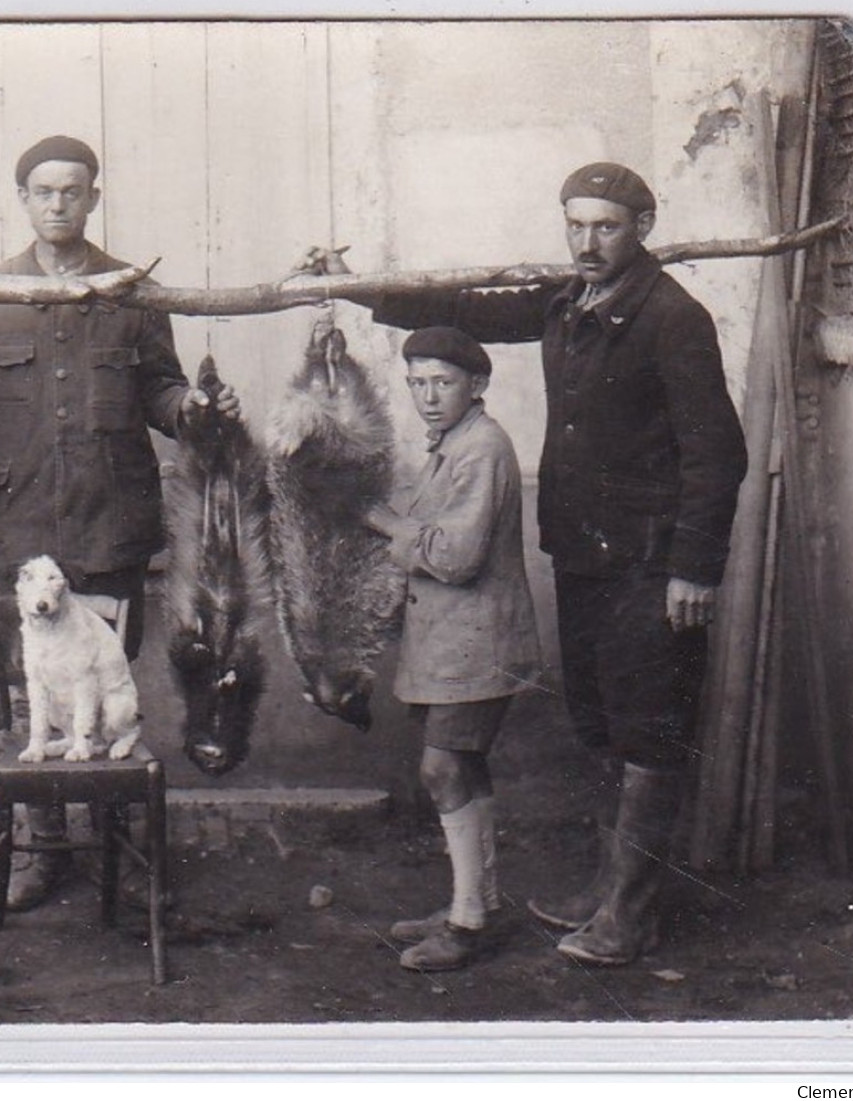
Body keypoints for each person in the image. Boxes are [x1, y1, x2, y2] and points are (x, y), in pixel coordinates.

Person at [313, 162, 748, 965]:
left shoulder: (671, 318)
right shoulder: (563, 302)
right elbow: (460, 307)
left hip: (651, 564)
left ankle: (631, 916)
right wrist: (362, 288)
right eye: (574, 225)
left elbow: (715, 452)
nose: (586, 242)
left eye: (606, 226)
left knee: (650, 729)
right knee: (601, 723)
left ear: (643, 227)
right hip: (582, 553)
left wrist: (695, 566)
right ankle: (604, 885)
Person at [0, 135, 237, 912]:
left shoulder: (130, 291)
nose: (58, 203)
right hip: (14, 524)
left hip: (109, 527)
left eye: (73, 190)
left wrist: (194, 410)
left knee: (106, 682)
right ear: (23, 200)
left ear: (93, 197)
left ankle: (115, 844)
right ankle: (46, 851)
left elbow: (162, 395)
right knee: (34, 692)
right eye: (43, 191)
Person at [364, 327, 541, 972]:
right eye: (418, 383)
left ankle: (470, 924)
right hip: (448, 645)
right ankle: (477, 904)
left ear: (478, 386)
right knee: (462, 768)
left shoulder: (483, 449)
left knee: (441, 771)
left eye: (443, 383)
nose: (429, 397)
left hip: (476, 644)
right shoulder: (451, 445)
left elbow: (458, 557)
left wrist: (384, 522)